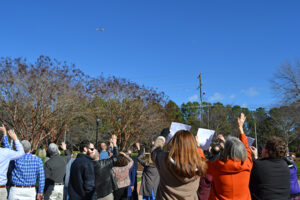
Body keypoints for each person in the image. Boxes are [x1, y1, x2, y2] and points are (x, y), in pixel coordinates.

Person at [206, 113, 253, 200]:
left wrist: (198, 147)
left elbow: (200, 162)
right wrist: (240, 128)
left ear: (225, 151)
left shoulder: (216, 166)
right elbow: (246, 148)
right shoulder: (247, 164)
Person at [151, 130, 207, 200]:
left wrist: (162, 137)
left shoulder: (164, 160)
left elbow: (155, 151)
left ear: (174, 144)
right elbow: (198, 157)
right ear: (193, 145)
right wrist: (198, 147)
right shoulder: (200, 165)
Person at [0, 125, 24, 200]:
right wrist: (15, 138)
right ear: (1, 140)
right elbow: (21, 153)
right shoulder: (5, 152)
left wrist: (4, 133)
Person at [93, 134, 119, 200]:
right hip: (106, 191)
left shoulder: (88, 165)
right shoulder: (104, 162)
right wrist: (114, 143)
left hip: (96, 192)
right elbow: (116, 157)